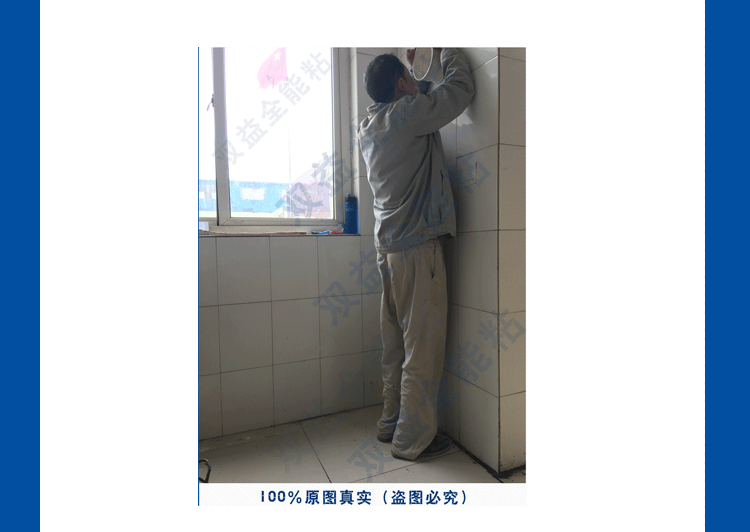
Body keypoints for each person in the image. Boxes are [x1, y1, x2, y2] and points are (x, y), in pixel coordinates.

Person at [358, 48, 474, 460]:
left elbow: (418, 97)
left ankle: (391, 422)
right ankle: (412, 440)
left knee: (395, 345)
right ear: (400, 86)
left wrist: (416, 71)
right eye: (408, 79)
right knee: (422, 349)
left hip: (389, 251)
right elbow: (459, 90)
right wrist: (445, 51)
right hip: (416, 251)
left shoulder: (370, 126)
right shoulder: (407, 116)